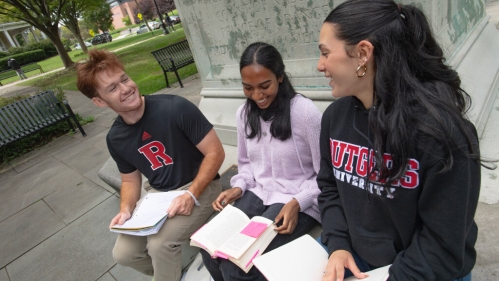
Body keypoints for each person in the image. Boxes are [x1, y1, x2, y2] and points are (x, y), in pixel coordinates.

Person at [316, 1, 485, 281]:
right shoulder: (335, 118)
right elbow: (329, 186)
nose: (320, 65)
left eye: (325, 53)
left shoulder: (440, 133)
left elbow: (441, 243)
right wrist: (338, 245)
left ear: (363, 54)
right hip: (355, 260)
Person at [75, 49, 225, 281]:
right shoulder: (115, 138)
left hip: (200, 187)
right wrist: (125, 209)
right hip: (158, 197)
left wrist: (191, 194)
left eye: (124, 79)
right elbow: (129, 180)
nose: (125, 88)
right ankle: (176, 273)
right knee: (123, 254)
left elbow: (215, 153)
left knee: (160, 244)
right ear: (99, 101)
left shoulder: (175, 107)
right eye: (113, 88)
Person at [201, 42, 322, 281]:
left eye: (264, 86)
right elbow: (246, 165)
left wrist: (299, 201)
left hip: (296, 198)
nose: (257, 96)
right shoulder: (244, 114)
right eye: (248, 88)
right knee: (210, 252)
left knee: (237, 268)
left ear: (279, 77)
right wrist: (238, 186)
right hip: (258, 193)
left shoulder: (304, 113)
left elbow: (325, 175)